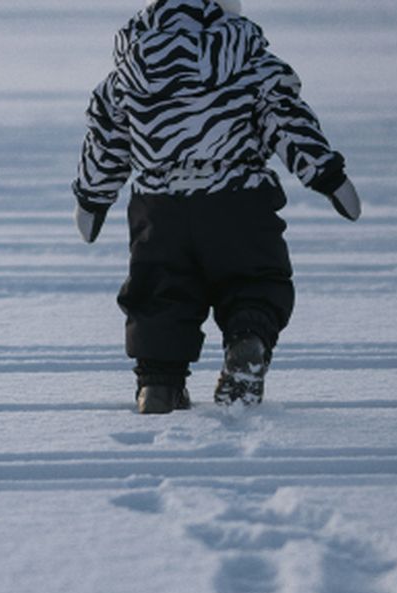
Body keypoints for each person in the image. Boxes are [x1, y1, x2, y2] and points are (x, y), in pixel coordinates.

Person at [72, 0, 361, 414]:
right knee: (253, 281)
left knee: (160, 292)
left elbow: (106, 142)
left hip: (161, 207)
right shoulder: (252, 64)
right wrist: (328, 177)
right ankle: (247, 343)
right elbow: (288, 122)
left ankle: (158, 387)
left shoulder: (130, 71)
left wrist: (91, 199)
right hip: (239, 199)